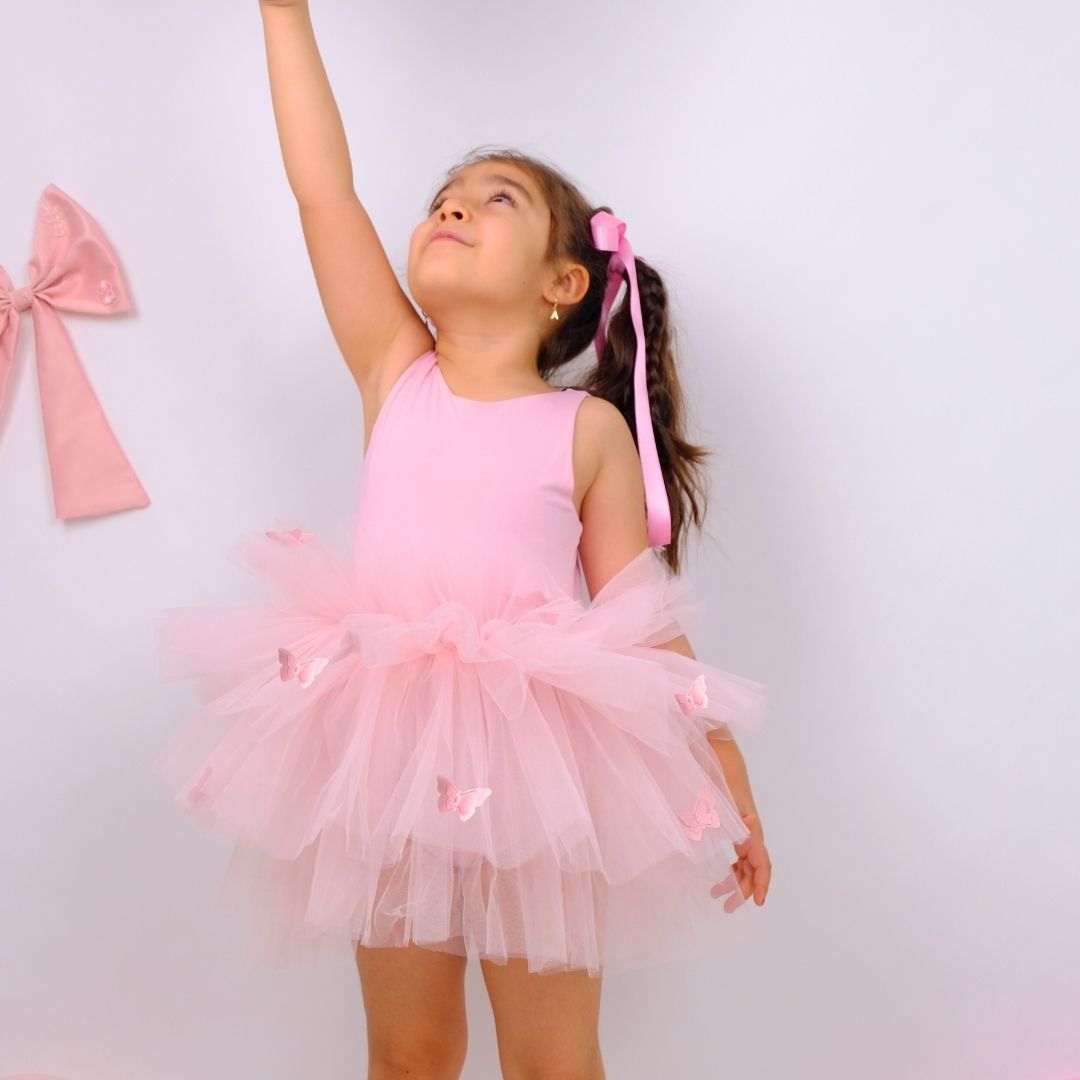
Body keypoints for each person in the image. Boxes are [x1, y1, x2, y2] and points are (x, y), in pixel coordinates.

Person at [153, 1, 773, 1075]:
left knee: (554, 1061)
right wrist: (283, 16)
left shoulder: (583, 430)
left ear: (562, 284)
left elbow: (640, 618)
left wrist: (723, 764)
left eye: (495, 201)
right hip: (388, 753)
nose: (453, 208)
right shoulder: (397, 370)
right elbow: (321, 189)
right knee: (408, 1051)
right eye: (444, 198)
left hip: (540, 763)